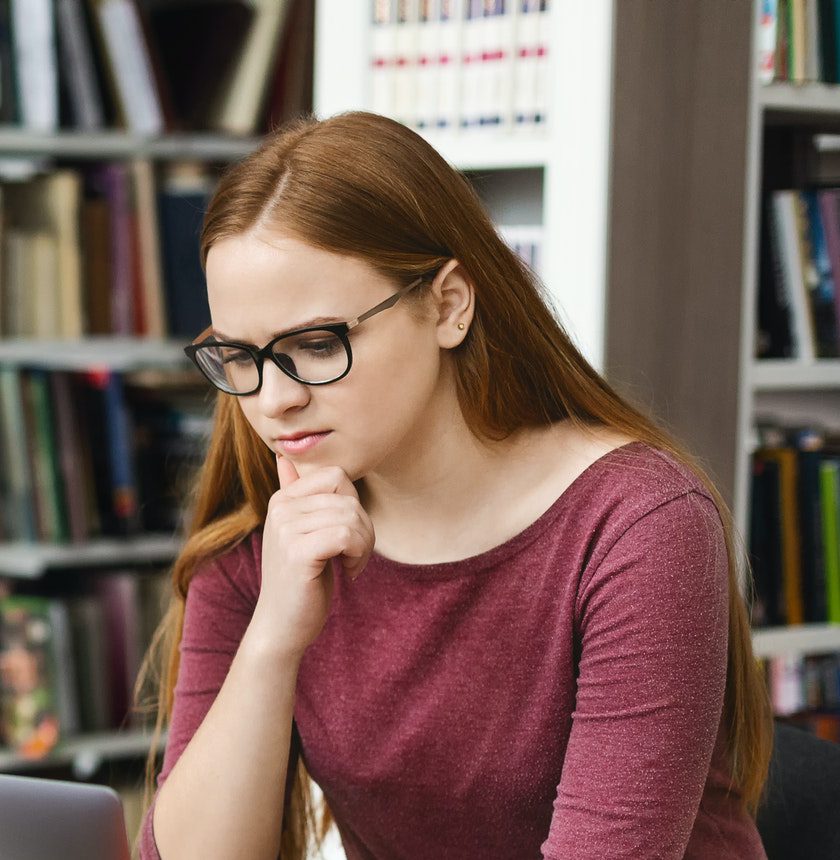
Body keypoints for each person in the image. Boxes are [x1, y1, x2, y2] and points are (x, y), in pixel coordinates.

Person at [134, 111, 773, 860]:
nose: (273, 401)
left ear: (448, 305)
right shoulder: (267, 536)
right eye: (239, 356)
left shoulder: (637, 524)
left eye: (315, 344)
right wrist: (275, 637)